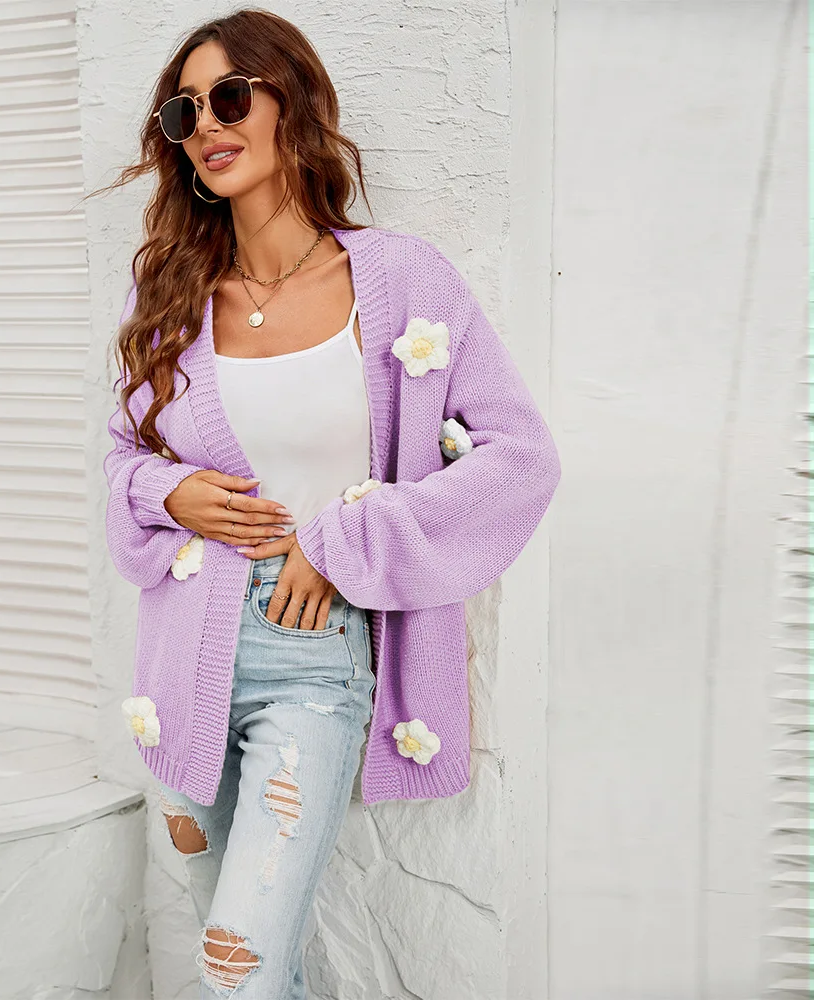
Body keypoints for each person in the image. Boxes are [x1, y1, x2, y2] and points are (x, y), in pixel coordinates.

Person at [95, 10, 561, 998]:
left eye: (231, 97)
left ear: (290, 101)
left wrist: (345, 540)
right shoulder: (170, 295)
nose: (207, 125)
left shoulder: (399, 278)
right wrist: (167, 488)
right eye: (184, 111)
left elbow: (519, 457)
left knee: (235, 969)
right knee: (260, 973)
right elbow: (121, 461)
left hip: (313, 656)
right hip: (180, 661)